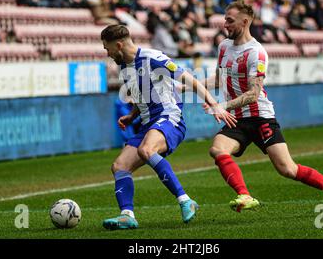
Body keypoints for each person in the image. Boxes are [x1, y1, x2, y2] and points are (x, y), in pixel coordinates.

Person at [200, 0, 323, 216]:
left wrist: (222, 105)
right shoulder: (224, 47)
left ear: (245, 21)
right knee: (217, 150)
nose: (225, 25)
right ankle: (245, 195)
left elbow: (253, 94)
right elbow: (220, 79)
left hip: (260, 117)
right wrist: (190, 86)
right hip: (236, 118)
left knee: (287, 169)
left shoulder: (256, 52)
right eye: (224, 19)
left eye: (230, 20)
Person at [100, 24, 236, 230]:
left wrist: (215, 104)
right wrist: (132, 115)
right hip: (148, 124)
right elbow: (142, 94)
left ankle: (185, 200)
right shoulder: (124, 66)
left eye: (107, 48)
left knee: (147, 150)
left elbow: (192, 81)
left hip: (169, 118)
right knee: (119, 167)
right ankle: (127, 215)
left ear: (118, 45)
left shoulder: (153, 58)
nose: (106, 53)